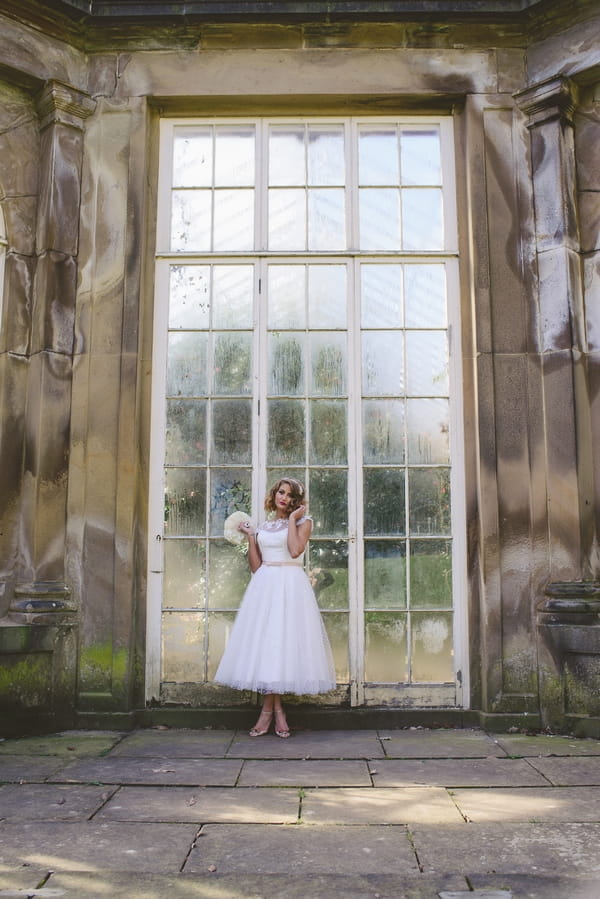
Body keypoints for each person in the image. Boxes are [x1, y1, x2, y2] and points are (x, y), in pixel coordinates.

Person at [214, 477, 336, 738]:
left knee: (282, 644)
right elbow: (257, 566)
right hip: (265, 585)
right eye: (282, 492)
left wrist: (292, 520)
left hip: (290, 585)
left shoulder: (305, 523)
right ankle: (276, 711)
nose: (285, 498)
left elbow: (294, 551)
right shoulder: (265, 526)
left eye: (291, 496)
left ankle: (268, 713)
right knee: (269, 645)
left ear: (297, 501)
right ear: (275, 493)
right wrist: (250, 537)